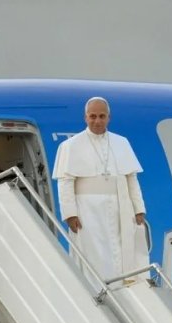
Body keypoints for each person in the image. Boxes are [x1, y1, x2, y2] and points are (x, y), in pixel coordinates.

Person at [51, 96, 147, 282]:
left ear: (109, 118)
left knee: (121, 251)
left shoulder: (122, 143)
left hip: (120, 206)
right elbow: (65, 182)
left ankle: (122, 288)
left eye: (102, 116)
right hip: (88, 210)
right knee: (94, 255)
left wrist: (139, 209)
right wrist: (70, 214)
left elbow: (132, 179)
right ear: (85, 117)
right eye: (92, 116)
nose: (97, 121)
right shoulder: (70, 145)